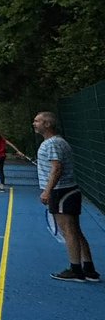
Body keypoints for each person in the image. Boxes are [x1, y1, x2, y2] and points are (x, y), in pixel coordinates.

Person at [34, 111, 99, 282]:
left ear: (47, 124)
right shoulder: (58, 142)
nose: (34, 124)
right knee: (75, 230)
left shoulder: (52, 144)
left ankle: (76, 270)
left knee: (68, 231)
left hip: (61, 191)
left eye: (37, 121)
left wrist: (47, 191)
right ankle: (89, 269)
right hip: (67, 190)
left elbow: (57, 168)